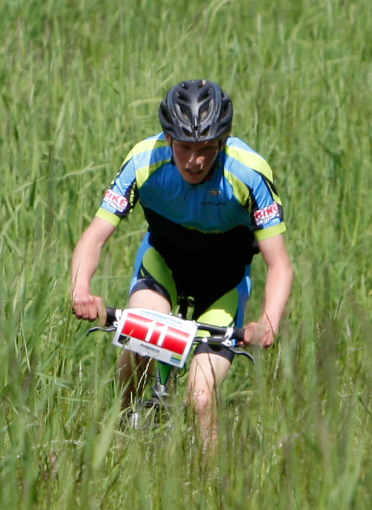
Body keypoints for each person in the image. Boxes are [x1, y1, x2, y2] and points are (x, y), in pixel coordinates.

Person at [70, 79, 294, 447]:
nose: (194, 160)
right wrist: (81, 291)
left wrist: (269, 322)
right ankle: (121, 438)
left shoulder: (248, 173)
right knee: (139, 343)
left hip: (223, 282)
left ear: (222, 142)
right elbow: (94, 236)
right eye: (185, 147)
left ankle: (214, 481)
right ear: (168, 138)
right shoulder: (145, 160)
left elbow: (280, 263)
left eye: (206, 148)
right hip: (165, 267)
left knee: (201, 400)